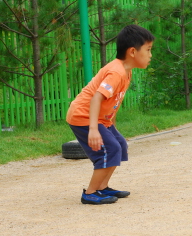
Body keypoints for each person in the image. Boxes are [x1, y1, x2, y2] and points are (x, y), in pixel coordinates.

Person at [66, 25, 155, 205]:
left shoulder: (126, 72)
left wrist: (110, 124)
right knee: (109, 149)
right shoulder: (117, 72)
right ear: (132, 51)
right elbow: (96, 98)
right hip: (83, 116)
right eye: (148, 50)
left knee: (119, 144)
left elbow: (113, 102)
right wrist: (93, 129)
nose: (150, 55)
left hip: (99, 118)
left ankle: (102, 187)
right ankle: (90, 192)